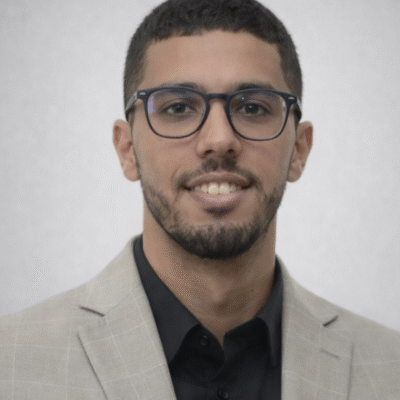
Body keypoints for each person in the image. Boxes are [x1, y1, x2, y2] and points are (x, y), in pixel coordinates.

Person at [0, 0, 399, 399]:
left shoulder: (391, 369)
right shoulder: (11, 364)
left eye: (253, 107)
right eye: (178, 107)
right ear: (127, 149)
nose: (219, 140)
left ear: (299, 149)